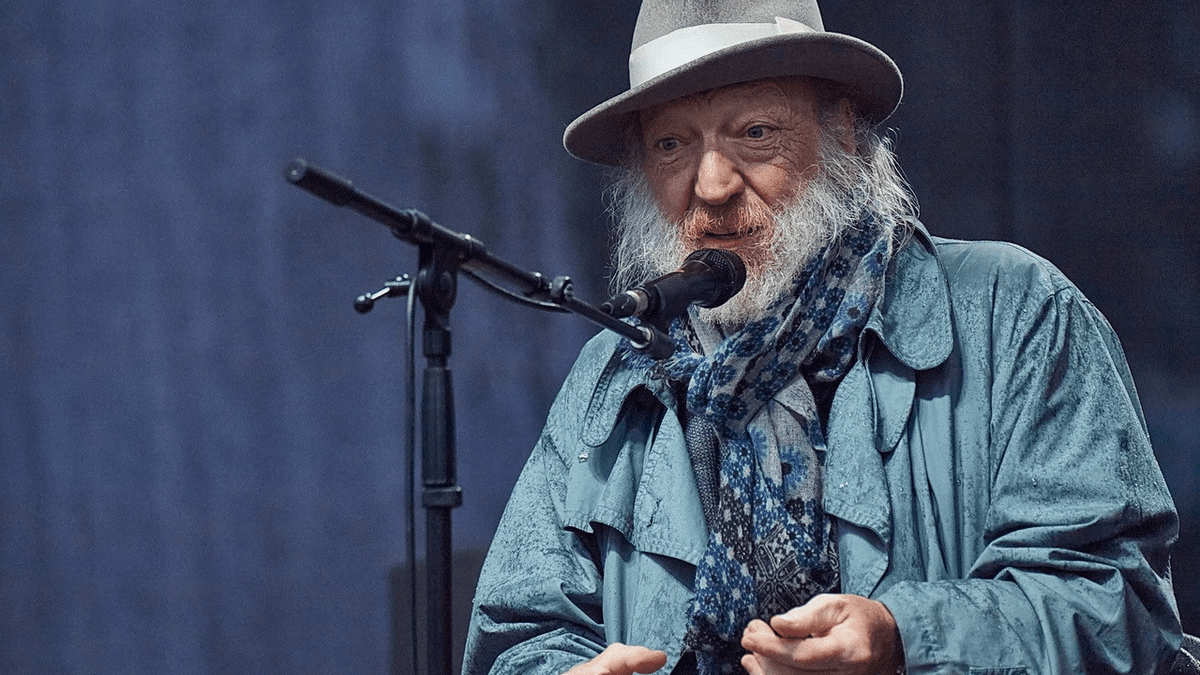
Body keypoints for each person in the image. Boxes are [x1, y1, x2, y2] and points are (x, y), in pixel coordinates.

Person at [462, 1, 1185, 673]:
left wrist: (905, 639)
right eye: (672, 144)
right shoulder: (611, 373)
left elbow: (1120, 608)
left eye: (755, 133)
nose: (712, 185)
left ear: (842, 132)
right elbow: (519, 636)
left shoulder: (1015, 311)